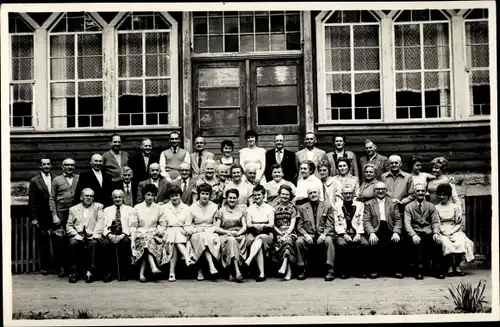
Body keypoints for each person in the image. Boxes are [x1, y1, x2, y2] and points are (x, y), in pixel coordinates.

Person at [363, 182, 405, 279]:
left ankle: (396, 270)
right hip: (376, 228)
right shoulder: (368, 204)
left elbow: (398, 220)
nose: (380, 191)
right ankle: (374, 270)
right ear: (374, 191)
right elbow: (366, 220)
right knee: (373, 242)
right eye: (378, 189)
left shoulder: (392, 203)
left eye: (383, 189)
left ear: (386, 191)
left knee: (398, 242)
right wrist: (371, 233)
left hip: (389, 227)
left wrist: (396, 232)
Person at [404, 184, 444, 280]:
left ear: (425, 192)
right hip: (415, 232)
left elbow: (435, 221)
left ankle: (437, 269)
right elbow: (407, 223)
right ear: (414, 193)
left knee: (436, 242)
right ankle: (419, 269)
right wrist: (413, 234)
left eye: (422, 191)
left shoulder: (430, 206)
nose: (420, 193)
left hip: (427, 231)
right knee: (417, 244)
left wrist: (436, 233)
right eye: (418, 191)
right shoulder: (409, 207)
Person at [295, 187, 336, 281]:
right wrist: (305, 235)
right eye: (310, 193)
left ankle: (330, 269)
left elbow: (330, 224)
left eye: (315, 192)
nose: (313, 195)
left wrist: (324, 234)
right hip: (309, 234)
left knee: (329, 241)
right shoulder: (302, 208)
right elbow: (299, 226)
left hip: (323, 234)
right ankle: (301, 269)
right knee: (299, 241)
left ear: (319, 193)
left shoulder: (327, 206)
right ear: (308, 195)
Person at [130, 184, 168, 282]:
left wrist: (160, 231)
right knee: (146, 241)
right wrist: (133, 239)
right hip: (140, 234)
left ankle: (141, 274)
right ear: (144, 195)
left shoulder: (158, 208)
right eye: (148, 194)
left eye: (152, 195)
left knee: (148, 241)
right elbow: (133, 225)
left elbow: (162, 223)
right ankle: (153, 267)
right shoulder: (137, 208)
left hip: (154, 234)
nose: (150, 197)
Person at [435, 183, 474, 277]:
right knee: (446, 243)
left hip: (454, 229)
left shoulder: (455, 207)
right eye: (440, 194)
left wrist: (452, 232)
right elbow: (436, 222)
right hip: (442, 230)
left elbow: (458, 223)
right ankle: (448, 267)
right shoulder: (436, 207)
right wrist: (444, 232)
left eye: (444, 195)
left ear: (448, 195)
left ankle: (457, 266)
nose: (441, 197)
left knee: (461, 241)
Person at [49, 158, 80, 278]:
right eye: (67, 165)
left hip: (76, 214)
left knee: (73, 239)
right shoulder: (57, 180)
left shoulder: (79, 178)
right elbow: (52, 198)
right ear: (62, 167)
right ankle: (61, 267)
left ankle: (74, 267)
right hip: (61, 213)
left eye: (72, 165)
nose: (70, 167)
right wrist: (54, 215)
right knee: (60, 241)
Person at [66, 188, 103, 283]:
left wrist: (96, 234)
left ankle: (90, 272)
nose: (89, 198)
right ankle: (73, 272)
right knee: (73, 243)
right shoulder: (73, 209)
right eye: (87, 196)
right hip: (79, 235)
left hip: (92, 235)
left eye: (91, 196)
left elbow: (100, 222)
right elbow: (69, 225)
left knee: (94, 243)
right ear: (81, 197)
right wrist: (75, 234)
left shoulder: (98, 207)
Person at [185, 183, 221, 281]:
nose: (205, 196)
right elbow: (187, 225)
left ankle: (200, 269)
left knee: (206, 238)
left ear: (210, 195)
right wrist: (196, 230)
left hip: (210, 231)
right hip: (196, 232)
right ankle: (211, 266)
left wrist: (210, 230)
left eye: (207, 194)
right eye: (203, 193)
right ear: (199, 194)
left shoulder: (214, 206)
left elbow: (216, 224)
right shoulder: (192, 208)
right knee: (202, 238)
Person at [99, 190, 134, 282]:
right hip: (111, 234)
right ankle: (109, 272)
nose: (117, 199)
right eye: (115, 197)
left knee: (126, 242)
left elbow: (131, 224)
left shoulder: (130, 209)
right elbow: (103, 224)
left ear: (123, 198)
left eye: (119, 197)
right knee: (105, 244)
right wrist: (109, 235)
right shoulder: (107, 210)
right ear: (112, 198)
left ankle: (123, 273)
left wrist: (122, 235)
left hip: (124, 234)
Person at [334, 185, 368, 279]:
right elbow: (336, 222)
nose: (348, 195)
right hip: (342, 232)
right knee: (342, 244)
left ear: (353, 194)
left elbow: (362, 220)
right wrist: (344, 235)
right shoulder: (337, 205)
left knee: (364, 243)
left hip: (356, 232)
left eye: (350, 193)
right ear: (342, 194)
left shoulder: (360, 204)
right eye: (346, 193)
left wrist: (358, 234)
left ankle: (360, 271)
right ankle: (344, 271)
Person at [162, 184, 194, 282]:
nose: (174, 198)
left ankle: (172, 273)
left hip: (182, 232)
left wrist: (187, 230)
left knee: (174, 239)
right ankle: (187, 257)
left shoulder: (187, 208)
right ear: (169, 197)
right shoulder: (164, 208)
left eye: (176, 195)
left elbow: (188, 224)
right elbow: (162, 223)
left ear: (180, 195)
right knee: (172, 235)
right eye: (172, 196)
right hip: (168, 231)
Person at [214, 188, 247, 283]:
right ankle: (236, 270)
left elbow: (244, 226)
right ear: (226, 198)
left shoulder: (241, 210)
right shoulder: (222, 210)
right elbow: (216, 228)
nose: (232, 200)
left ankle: (231, 272)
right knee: (231, 240)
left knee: (233, 240)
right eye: (230, 198)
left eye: (234, 198)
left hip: (239, 235)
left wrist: (238, 233)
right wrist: (227, 232)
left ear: (237, 199)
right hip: (226, 235)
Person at [28, 157, 54, 275]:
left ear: (51, 165)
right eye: (44, 164)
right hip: (41, 215)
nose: (46, 166)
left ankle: (57, 265)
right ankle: (45, 267)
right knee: (43, 242)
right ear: (40, 166)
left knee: (57, 240)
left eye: (48, 164)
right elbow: (32, 201)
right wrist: (34, 218)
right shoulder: (35, 180)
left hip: (54, 214)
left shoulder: (56, 179)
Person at [244, 185, 274, 282]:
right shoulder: (250, 209)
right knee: (258, 244)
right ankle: (261, 274)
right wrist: (255, 226)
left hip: (267, 232)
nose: (256, 197)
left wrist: (262, 226)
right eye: (255, 195)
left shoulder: (269, 208)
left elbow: (271, 224)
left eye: (259, 195)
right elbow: (248, 224)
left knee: (260, 238)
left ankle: (249, 260)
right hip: (253, 232)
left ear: (263, 195)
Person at [272, 185, 299, 281]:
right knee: (285, 242)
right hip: (278, 232)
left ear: (290, 196)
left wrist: (287, 233)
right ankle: (289, 271)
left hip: (290, 232)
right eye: (283, 194)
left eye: (287, 194)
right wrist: (280, 233)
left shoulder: (293, 208)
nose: (285, 196)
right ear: (279, 194)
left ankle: (285, 266)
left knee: (288, 240)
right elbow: (273, 224)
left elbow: (292, 224)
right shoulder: (274, 208)